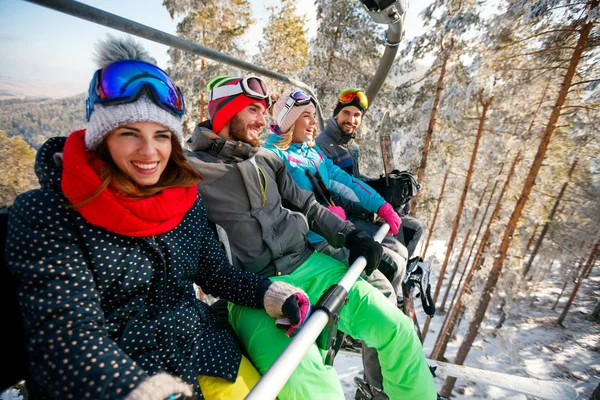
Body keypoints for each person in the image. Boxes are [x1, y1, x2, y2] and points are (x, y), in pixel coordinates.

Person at [4, 36, 311, 400]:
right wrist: (133, 389)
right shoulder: (51, 214)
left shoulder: (181, 198)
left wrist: (267, 294)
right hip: (114, 375)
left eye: (162, 135)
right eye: (129, 134)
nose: (149, 152)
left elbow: (212, 271)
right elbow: (66, 333)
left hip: (202, 350)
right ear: (101, 139)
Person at [186, 75, 437, 400]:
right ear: (223, 112)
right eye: (252, 109)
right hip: (253, 293)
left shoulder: (265, 159)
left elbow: (308, 204)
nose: (262, 120)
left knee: (397, 330)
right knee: (310, 386)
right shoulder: (190, 172)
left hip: (309, 264)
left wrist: (350, 236)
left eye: (264, 111)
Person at [264, 90, 409, 399]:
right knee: (382, 291)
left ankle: (376, 366)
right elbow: (280, 208)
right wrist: (326, 220)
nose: (314, 122)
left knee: (387, 274)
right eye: (306, 116)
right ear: (288, 120)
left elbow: (348, 184)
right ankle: (377, 385)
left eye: (314, 115)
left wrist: (382, 205)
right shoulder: (274, 157)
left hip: (331, 236)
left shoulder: (311, 152)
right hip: (307, 246)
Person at [315, 88, 424, 258]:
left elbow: (354, 179)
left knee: (415, 228)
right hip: (343, 217)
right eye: (346, 113)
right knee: (397, 250)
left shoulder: (350, 146)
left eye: (357, 115)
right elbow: (335, 196)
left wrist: (381, 184)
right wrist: (377, 200)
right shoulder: (322, 147)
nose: (351, 120)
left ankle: (403, 275)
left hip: (360, 209)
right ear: (336, 114)